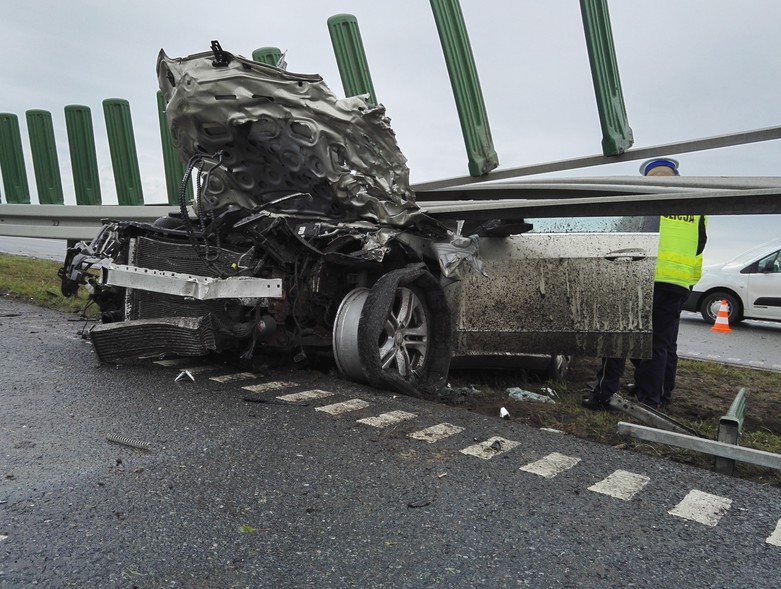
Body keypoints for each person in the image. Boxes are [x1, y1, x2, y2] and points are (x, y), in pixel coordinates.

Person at [582, 157, 707, 410]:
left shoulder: (640, 198)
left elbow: (620, 238)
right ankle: (653, 399)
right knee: (661, 345)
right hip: (676, 282)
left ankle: (604, 395)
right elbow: (699, 245)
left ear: (647, 179)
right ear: (676, 176)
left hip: (638, 276)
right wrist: (687, 283)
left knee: (619, 336)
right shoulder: (694, 204)